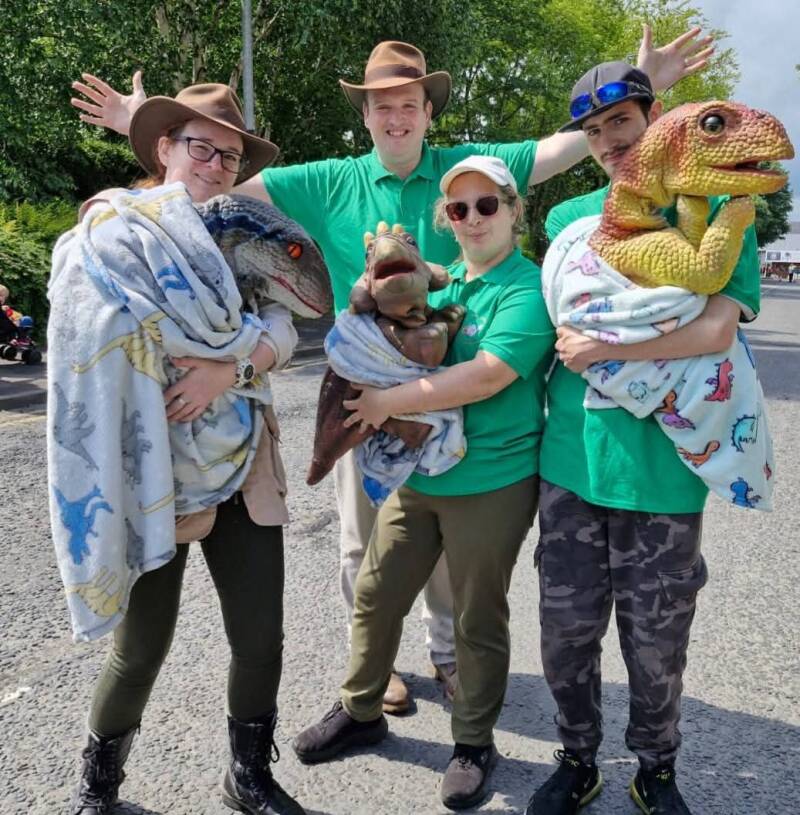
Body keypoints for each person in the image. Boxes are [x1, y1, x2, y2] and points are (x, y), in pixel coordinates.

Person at [71, 27, 712, 715]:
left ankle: (447, 652)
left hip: (452, 386)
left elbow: (560, 148)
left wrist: (644, 87)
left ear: (429, 112)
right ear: (366, 115)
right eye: (382, 105)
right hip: (365, 387)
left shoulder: (469, 167)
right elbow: (206, 184)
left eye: (409, 104)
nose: (396, 117)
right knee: (364, 537)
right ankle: (378, 664)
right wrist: (141, 127)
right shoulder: (329, 180)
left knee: (442, 540)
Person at [58, 84, 306, 815]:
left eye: (229, 156)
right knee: (141, 647)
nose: (216, 164)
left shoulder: (243, 233)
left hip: (241, 459)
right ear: (164, 148)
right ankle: (98, 787)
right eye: (201, 147)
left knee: (260, 638)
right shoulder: (113, 230)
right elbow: (83, 332)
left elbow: (284, 326)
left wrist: (229, 369)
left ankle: (248, 776)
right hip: (147, 468)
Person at [525, 63, 760, 815]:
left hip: (663, 471)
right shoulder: (570, 220)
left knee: (656, 642)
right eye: (593, 131)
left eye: (620, 122)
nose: (607, 142)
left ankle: (656, 768)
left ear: (655, 120)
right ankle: (577, 758)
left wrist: (607, 349)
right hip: (571, 462)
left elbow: (717, 327)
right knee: (565, 632)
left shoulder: (715, 206)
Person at [291, 154, 555, 811]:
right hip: (421, 475)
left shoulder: (527, 287)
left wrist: (389, 402)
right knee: (376, 591)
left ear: (514, 210)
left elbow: (487, 375)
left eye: (487, 205)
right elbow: (386, 317)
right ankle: (361, 710)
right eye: (458, 209)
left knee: (475, 616)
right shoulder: (445, 282)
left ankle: (473, 742)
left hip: (492, 480)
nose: (472, 219)